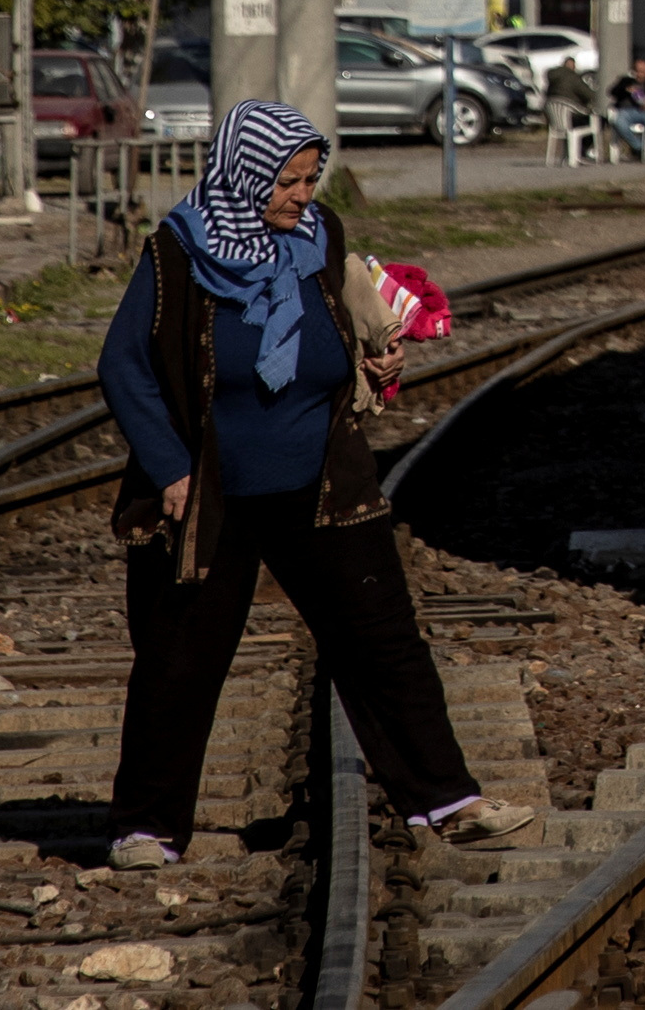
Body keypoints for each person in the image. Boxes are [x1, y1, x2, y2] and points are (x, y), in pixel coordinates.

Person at [95, 98, 537, 869]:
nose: (303, 195)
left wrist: (375, 365)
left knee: (383, 641)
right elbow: (123, 365)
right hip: (210, 493)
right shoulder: (175, 253)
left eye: (309, 178)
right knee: (179, 658)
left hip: (322, 478)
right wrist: (169, 467)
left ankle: (446, 799)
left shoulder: (320, 237)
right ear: (245, 174)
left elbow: (333, 332)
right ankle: (147, 826)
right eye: (288, 181)